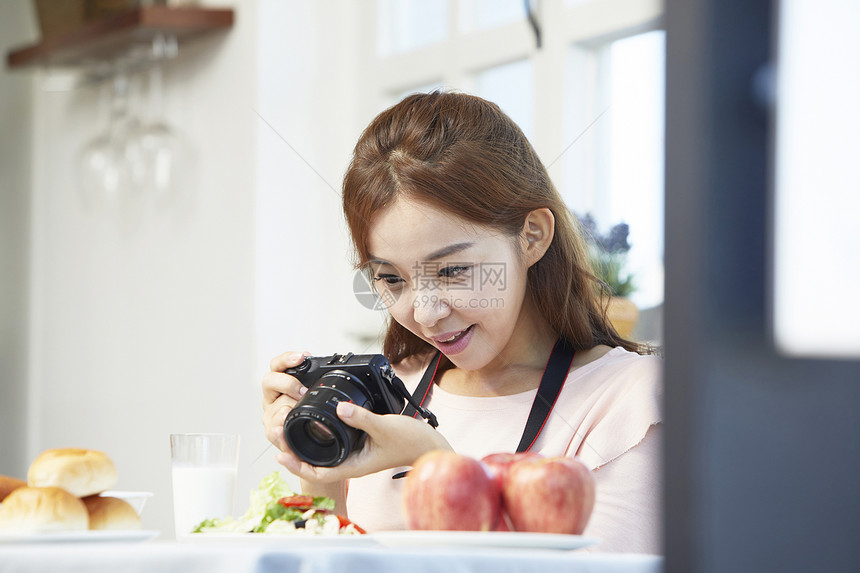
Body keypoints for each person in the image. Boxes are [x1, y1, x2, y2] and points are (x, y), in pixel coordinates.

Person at [262, 91, 662, 553]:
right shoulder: (384, 394)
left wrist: (435, 465)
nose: (426, 313)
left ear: (532, 236)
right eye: (391, 278)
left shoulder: (629, 403)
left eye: (452, 271)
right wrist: (316, 461)